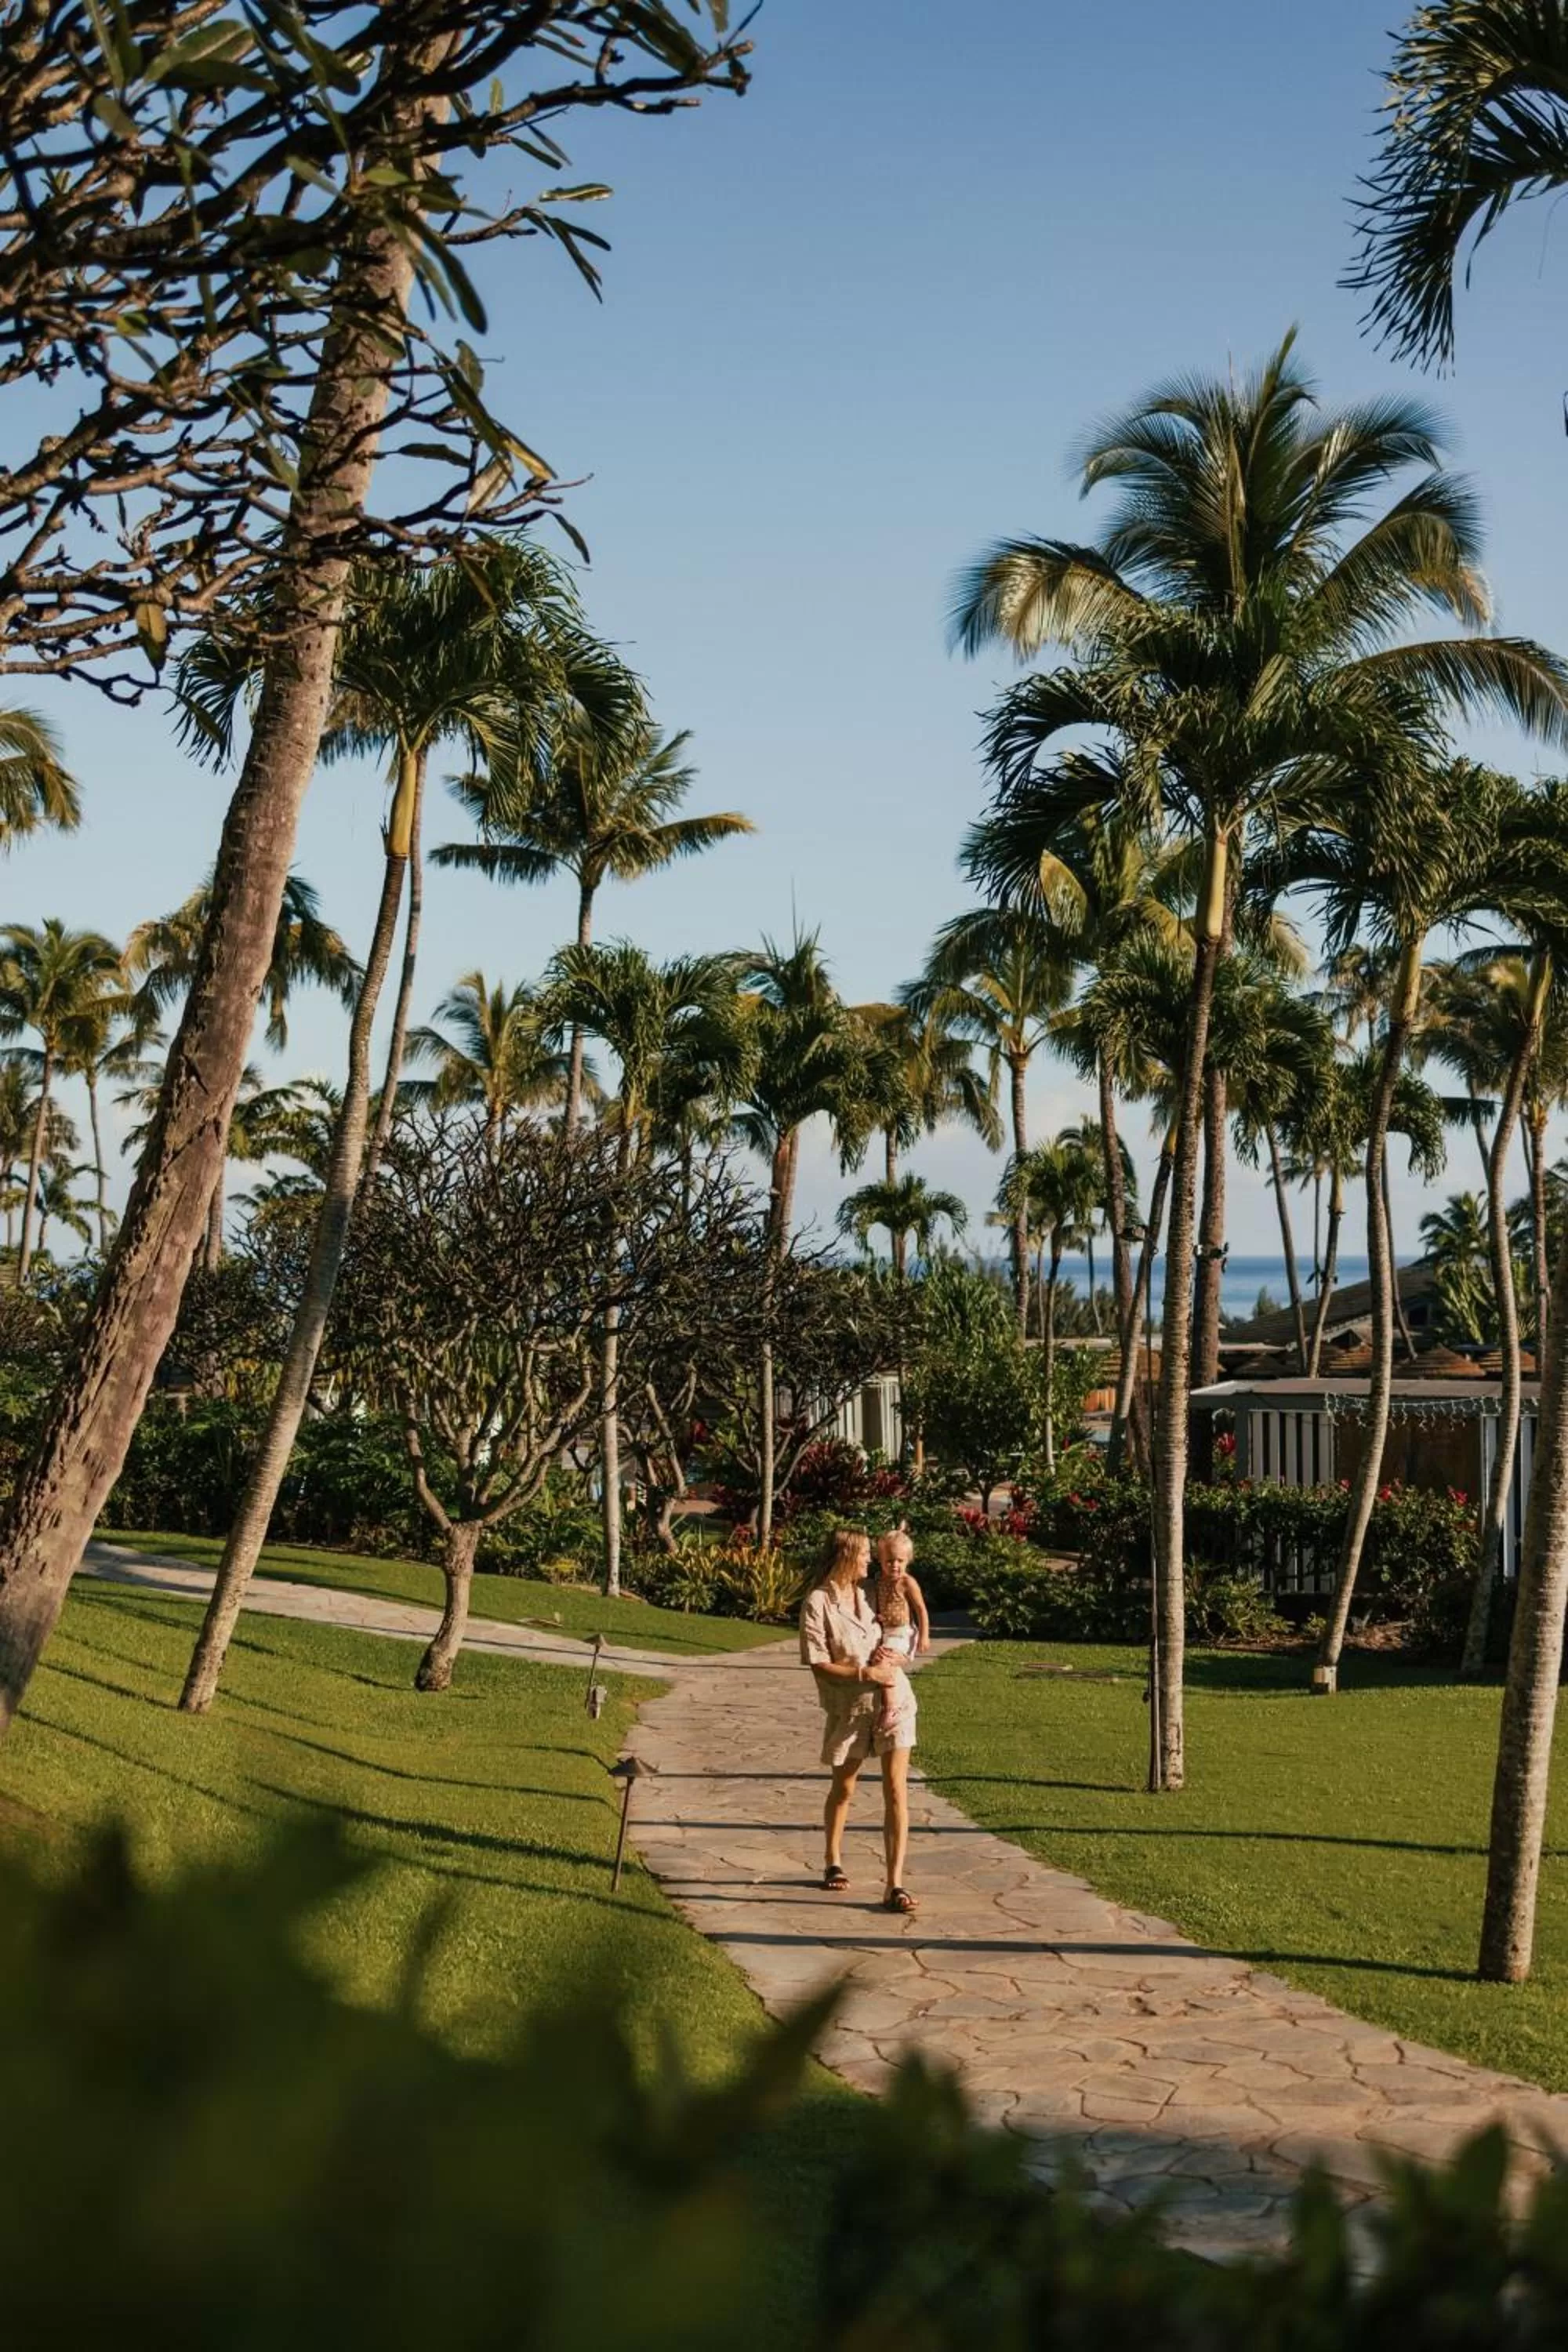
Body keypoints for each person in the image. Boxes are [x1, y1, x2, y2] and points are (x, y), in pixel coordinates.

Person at [798, 1527, 918, 1915]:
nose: (871, 1560)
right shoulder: (818, 1602)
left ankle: (895, 1884)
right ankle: (833, 1859)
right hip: (851, 1709)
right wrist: (865, 1676)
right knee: (844, 1789)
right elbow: (818, 1664)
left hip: (895, 1702)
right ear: (846, 1556)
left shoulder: (871, 1592)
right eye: (865, 1554)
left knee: (897, 1791)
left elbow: (906, 1626)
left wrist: (901, 1655)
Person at [868, 1528, 930, 1738]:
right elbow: (882, 1603)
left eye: (900, 1561)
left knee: (884, 1662)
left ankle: (891, 1708)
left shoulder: (907, 1583)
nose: (895, 1566)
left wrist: (924, 1635)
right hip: (887, 1630)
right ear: (880, 1560)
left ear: (908, 1560)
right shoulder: (880, 1580)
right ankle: (887, 1705)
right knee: (879, 1659)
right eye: (890, 1561)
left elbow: (921, 1609)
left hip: (903, 1632)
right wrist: (879, 1616)